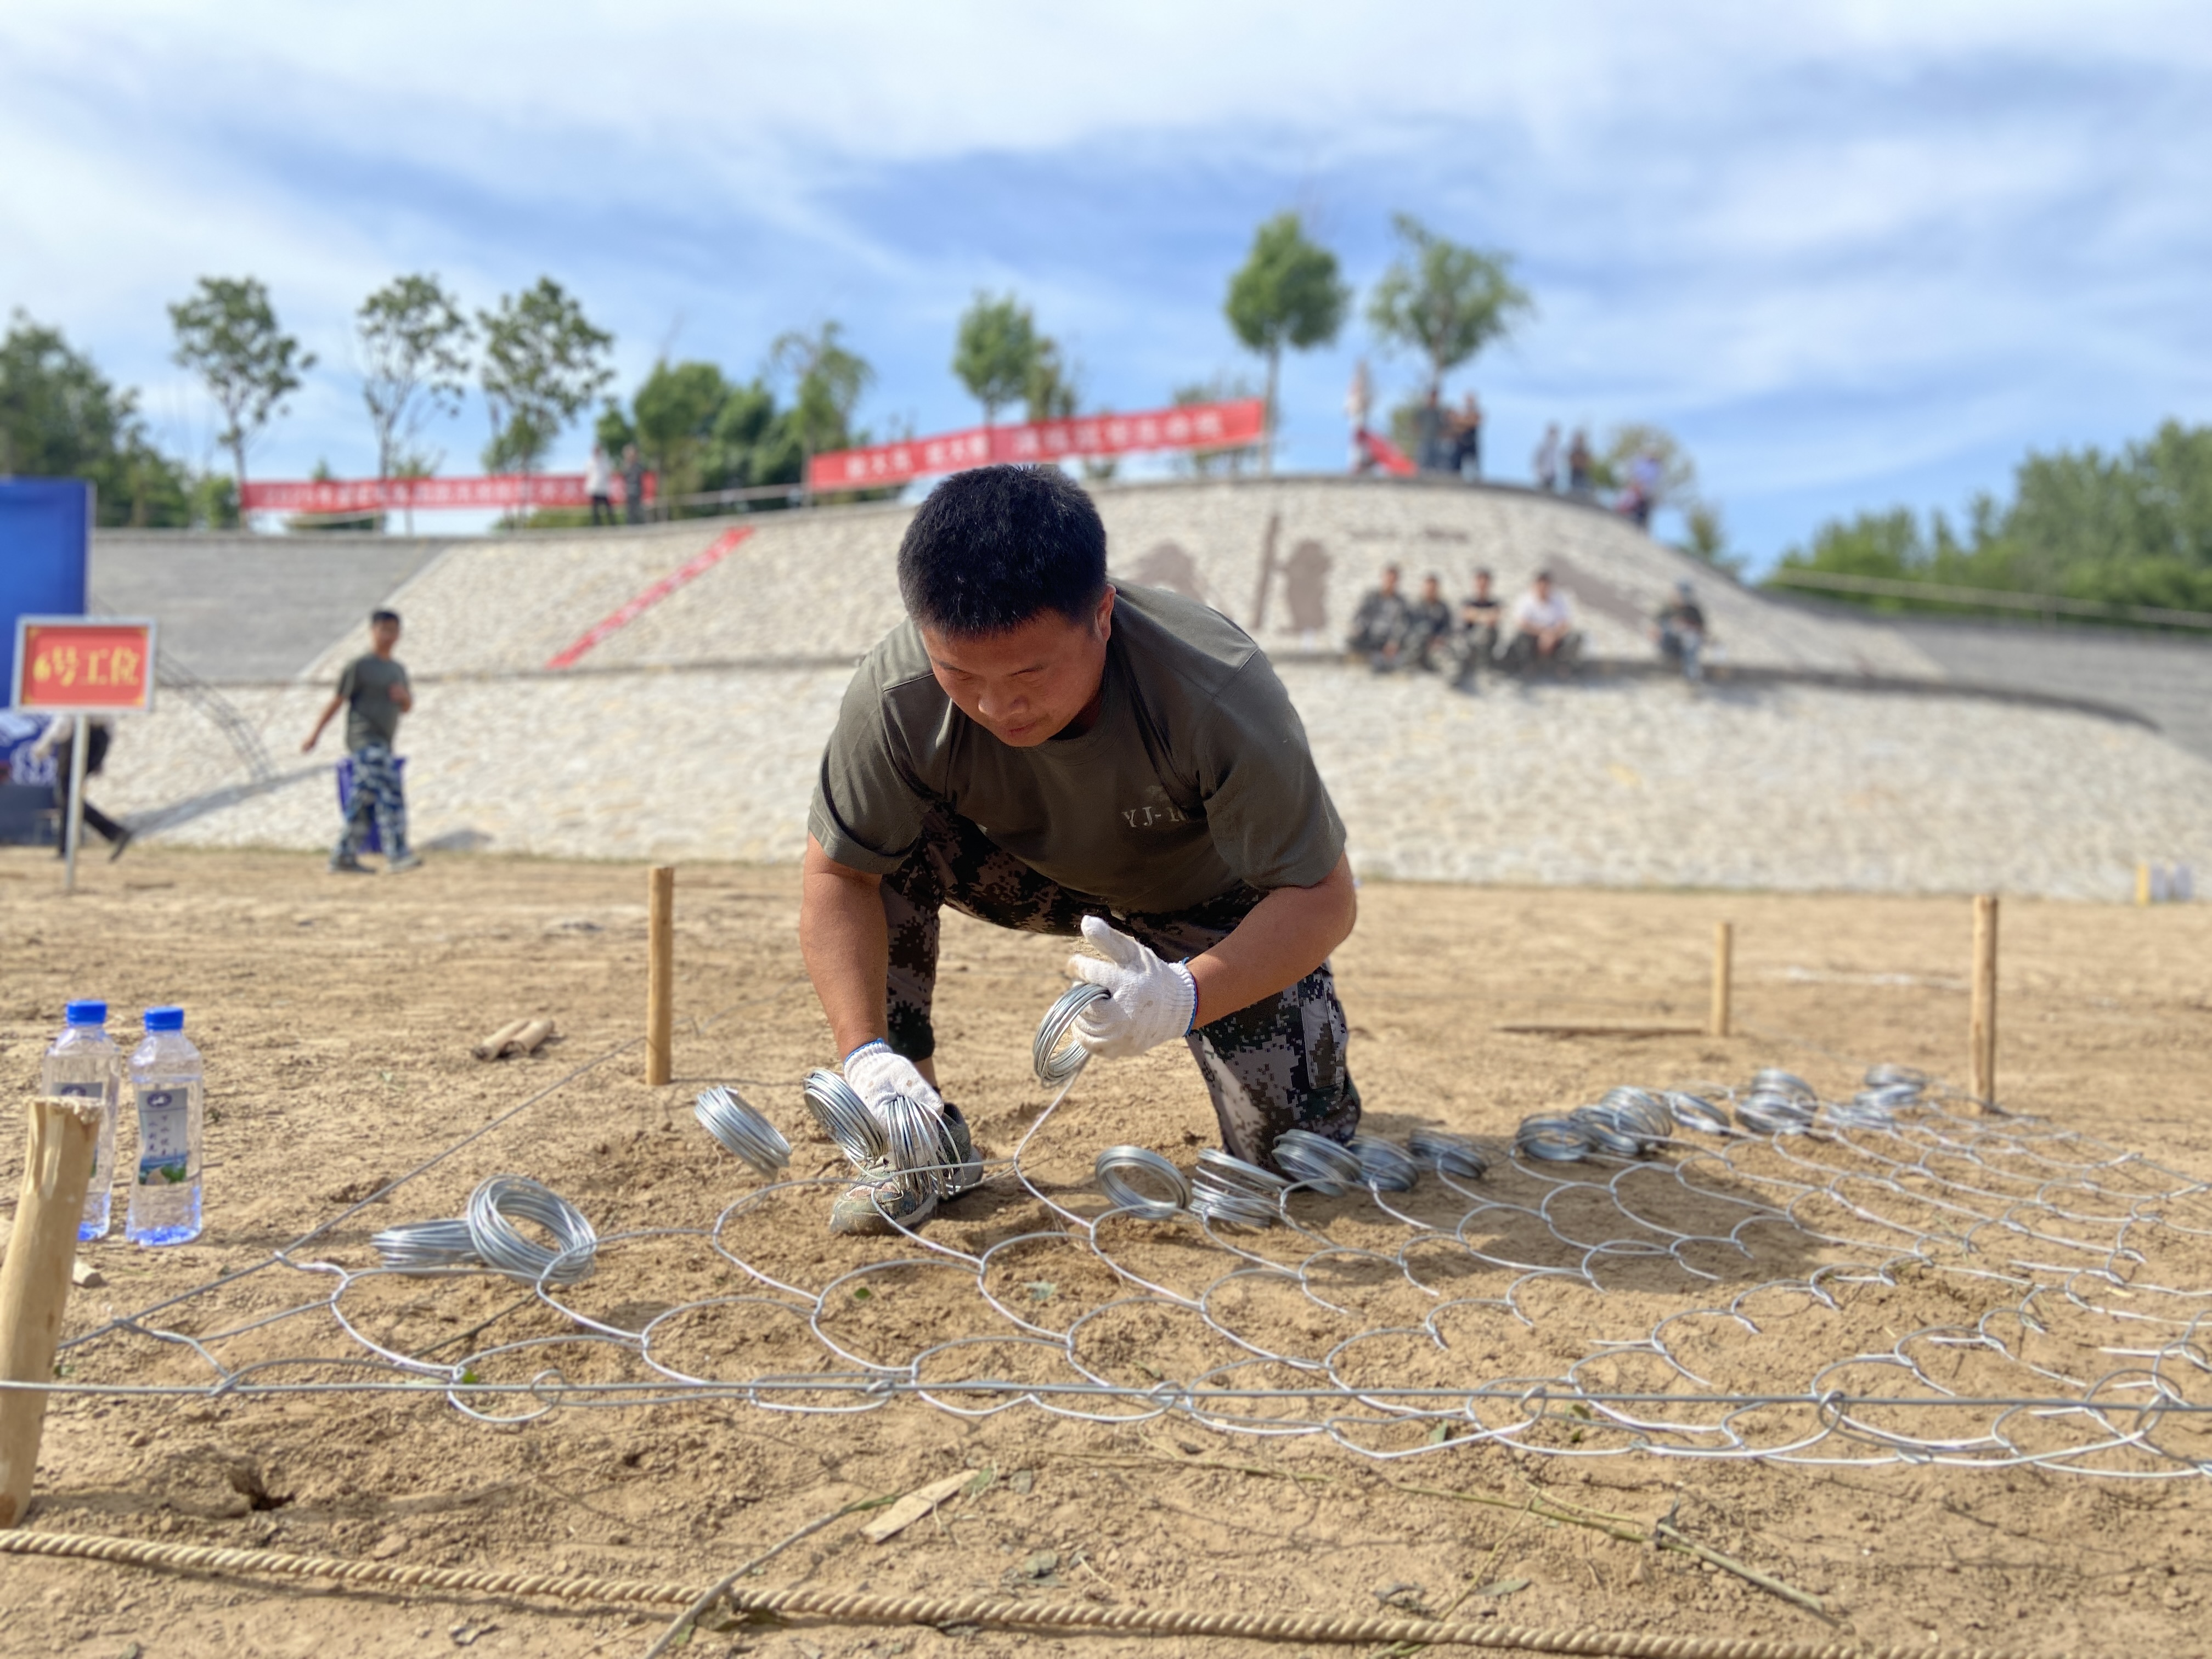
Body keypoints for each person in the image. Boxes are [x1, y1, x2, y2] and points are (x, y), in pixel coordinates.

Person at [802, 465, 1359, 1234]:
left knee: (1296, 1169)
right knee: (881, 849)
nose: (997, 706)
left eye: (1030, 673)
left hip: (1202, 896)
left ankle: (1291, 1110)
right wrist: (864, 1055)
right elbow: (837, 877)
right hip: (1024, 873)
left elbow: (1324, 896)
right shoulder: (897, 694)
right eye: (960, 673)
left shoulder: (1213, 690)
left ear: (1102, 612)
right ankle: (918, 1142)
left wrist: (1184, 996)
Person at [303, 608, 419, 874]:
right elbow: (337, 700)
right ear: (373, 632)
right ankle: (398, 853)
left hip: (385, 742)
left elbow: (407, 706)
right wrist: (315, 734)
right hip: (365, 741)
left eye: (393, 631)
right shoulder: (360, 667)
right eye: (383, 630)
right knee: (391, 792)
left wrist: (404, 697)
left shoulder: (397, 669)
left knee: (364, 803)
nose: (388, 636)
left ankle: (343, 857)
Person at [31, 715, 130, 860]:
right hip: (99, 738)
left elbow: (65, 717)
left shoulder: (77, 694)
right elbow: (110, 722)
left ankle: (113, 832)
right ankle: (67, 849)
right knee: (69, 796)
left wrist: (46, 743)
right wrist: (102, 756)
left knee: (67, 796)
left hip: (79, 736)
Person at [1501, 570, 1582, 673]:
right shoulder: (1526, 599)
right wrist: (1542, 634)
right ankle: (1527, 666)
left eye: (1546, 586)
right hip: (1533, 638)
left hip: (1555, 638)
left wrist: (1552, 636)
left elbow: (1565, 623)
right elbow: (1521, 623)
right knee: (1520, 637)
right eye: (1540, 585)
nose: (1543, 589)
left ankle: (1564, 667)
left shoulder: (1560, 599)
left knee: (1576, 637)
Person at [1448, 568, 1504, 689]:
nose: (1482, 586)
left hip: (1488, 645)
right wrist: (1485, 616)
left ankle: (1484, 668)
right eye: (1480, 582)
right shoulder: (1468, 601)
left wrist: (1477, 616)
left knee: (1486, 631)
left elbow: (1495, 618)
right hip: (1470, 642)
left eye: (1485, 583)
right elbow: (1466, 615)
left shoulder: (1495, 602)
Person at [1347, 565, 1410, 669]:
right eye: (1388, 579)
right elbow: (1361, 615)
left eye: (1393, 580)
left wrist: (1394, 641)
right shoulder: (1372, 597)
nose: (1390, 583)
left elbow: (1402, 624)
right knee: (1351, 640)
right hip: (1370, 636)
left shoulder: (1401, 603)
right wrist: (1358, 628)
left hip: (1388, 639)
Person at [1652, 581, 1708, 681]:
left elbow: (1702, 630)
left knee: (1691, 638)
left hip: (1687, 646)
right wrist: (1672, 625)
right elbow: (1655, 626)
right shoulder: (1668, 607)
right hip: (1669, 643)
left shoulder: (1693, 610)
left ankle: (1691, 673)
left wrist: (1688, 627)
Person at [1401, 574, 1454, 670]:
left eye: (1433, 589)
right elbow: (1409, 626)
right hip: (1418, 644)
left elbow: (1448, 627)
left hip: (1436, 646)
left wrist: (1440, 638)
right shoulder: (1416, 607)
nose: (1430, 591)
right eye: (1429, 588)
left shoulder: (1443, 608)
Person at [1450, 394, 1484, 480]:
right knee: (1456, 465)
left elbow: (1475, 421)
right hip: (1461, 443)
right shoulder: (1461, 411)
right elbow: (1453, 420)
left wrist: (1463, 422)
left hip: (1471, 443)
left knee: (1473, 465)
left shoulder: (1476, 411)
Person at [586, 443, 616, 526]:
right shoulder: (590, 461)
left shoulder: (605, 461)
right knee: (595, 509)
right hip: (594, 487)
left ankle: (613, 524)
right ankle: (596, 524)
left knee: (608, 507)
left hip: (604, 488)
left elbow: (609, 472)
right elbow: (588, 474)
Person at [621, 444, 646, 525]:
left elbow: (641, 473)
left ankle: (642, 524)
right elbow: (624, 475)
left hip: (638, 488)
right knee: (630, 510)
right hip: (629, 489)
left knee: (639, 508)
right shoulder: (626, 465)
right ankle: (631, 525)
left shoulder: (638, 465)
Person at [1532, 424, 1561, 492]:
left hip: (1553, 475)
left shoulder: (1558, 448)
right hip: (1544, 474)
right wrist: (1539, 471)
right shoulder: (1543, 447)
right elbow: (1537, 460)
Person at [1566, 430, 1594, 498]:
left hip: (1582, 474)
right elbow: (1570, 461)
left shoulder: (1585, 452)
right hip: (1574, 473)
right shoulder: (1573, 451)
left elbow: (1588, 463)